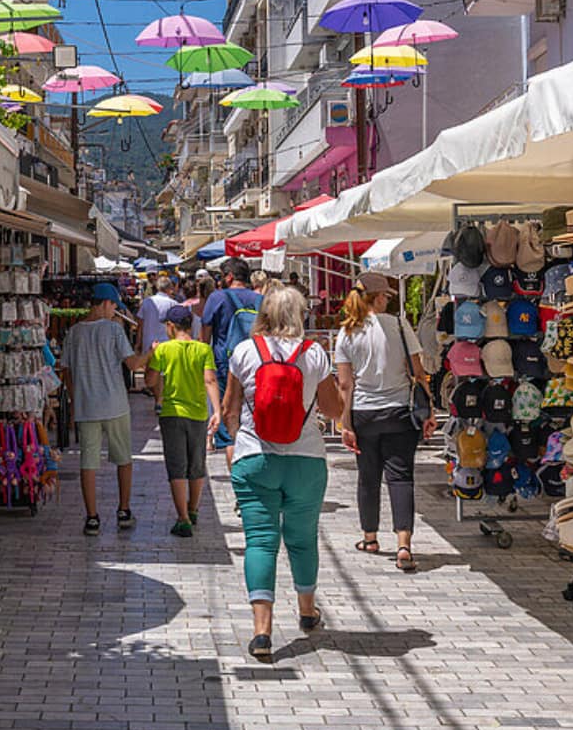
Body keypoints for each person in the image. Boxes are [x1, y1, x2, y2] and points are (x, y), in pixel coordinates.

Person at [223, 286, 343, 662]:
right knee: (302, 540)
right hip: (306, 459)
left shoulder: (245, 351)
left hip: (254, 458)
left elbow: (230, 409)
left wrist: (237, 450)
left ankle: (262, 632)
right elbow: (333, 409)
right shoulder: (314, 354)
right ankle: (307, 612)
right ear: (301, 315)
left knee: (260, 541)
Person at [335, 273, 437, 571]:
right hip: (399, 411)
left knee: (368, 477)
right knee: (401, 477)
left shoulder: (347, 333)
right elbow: (418, 372)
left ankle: (370, 537)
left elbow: (344, 385)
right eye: (386, 296)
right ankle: (404, 545)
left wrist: (346, 424)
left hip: (364, 413)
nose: (388, 300)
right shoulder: (400, 326)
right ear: (378, 297)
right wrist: (428, 409)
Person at [60, 282, 151, 537]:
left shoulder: (74, 332)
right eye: (114, 306)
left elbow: (66, 370)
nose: (115, 311)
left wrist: (75, 398)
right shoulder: (113, 330)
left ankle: (91, 518)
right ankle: (123, 510)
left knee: (88, 463)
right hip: (115, 405)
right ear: (104, 304)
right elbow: (133, 365)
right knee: (123, 459)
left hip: (87, 407)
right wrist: (150, 353)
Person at [145, 305, 220, 537]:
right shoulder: (203, 349)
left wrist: (151, 354)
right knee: (197, 464)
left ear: (170, 326)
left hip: (172, 414)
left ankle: (183, 519)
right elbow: (210, 381)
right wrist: (216, 410)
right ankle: (194, 509)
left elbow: (149, 381)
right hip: (198, 415)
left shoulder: (164, 350)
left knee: (177, 467)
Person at [201, 258, 262, 466]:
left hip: (224, 365)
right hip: (257, 365)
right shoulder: (260, 299)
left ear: (228, 277)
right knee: (255, 419)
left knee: (229, 423)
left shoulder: (216, 298)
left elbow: (205, 336)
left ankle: (238, 483)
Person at [136, 276, 175, 353]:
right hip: (167, 347)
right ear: (170, 288)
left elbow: (140, 325)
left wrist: (138, 344)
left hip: (148, 345)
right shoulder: (173, 304)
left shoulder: (146, 302)